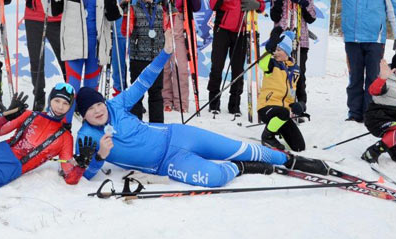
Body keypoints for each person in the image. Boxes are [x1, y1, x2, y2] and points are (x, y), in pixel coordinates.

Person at [74, 29, 329, 188]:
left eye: (99, 104)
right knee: (215, 178)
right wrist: (99, 156)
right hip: (168, 163)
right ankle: (241, 167)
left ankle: (291, 160)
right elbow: (82, 176)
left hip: (178, 135)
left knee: (239, 148)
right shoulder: (86, 137)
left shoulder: (115, 105)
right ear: (82, 115)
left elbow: (144, 81)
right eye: (91, 109)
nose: (98, 110)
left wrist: (164, 54)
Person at [317, 0, 396, 123]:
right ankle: (355, 113)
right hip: (352, 40)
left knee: (373, 78)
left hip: (374, 41)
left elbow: (393, 11)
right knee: (355, 78)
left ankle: (369, 113)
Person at [43, 0, 121, 122]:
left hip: (96, 46)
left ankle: (90, 130)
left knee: (91, 92)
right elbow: (52, 10)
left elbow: (114, 15)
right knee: (72, 88)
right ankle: (65, 128)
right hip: (73, 45)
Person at [11, 0, 69, 111]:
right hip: (34, 18)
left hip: (57, 18)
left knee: (64, 58)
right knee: (37, 59)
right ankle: (39, 96)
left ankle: (68, 93)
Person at [207, 0, 265, 116]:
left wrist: (255, 4)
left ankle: (235, 104)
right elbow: (213, 5)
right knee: (217, 66)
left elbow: (261, 6)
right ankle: (214, 101)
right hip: (223, 30)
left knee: (238, 69)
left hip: (242, 31)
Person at [157, 0, 201, 113]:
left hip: (181, 26)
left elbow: (196, 8)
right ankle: (166, 100)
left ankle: (181, 102)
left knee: (181, 68)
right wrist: (158, 1)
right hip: (164, 25)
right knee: (165, 67)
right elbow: (153, 5)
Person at [121, 0, 166, 123]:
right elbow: (125, 32)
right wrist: (126, 12)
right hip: (138, 58)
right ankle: (136, 125)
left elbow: (167, 28)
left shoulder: (160, 9)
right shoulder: (133, 9)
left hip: (156, 59)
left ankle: (157, 126)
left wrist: (171, 5)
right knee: (137, 94)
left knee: (156, 93)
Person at [257, 27, 310, 151]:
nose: (276, 53)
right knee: (283, 112)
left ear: (287, 51)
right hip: (267, 107)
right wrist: (269, 49)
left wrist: (301, 105)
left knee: (299, 147)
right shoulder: (271, 64)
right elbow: (262, 64)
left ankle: (276, 129)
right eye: (275, 50)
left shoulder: (296, 70)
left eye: (279, 50)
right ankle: (267, 136)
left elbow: (302, 93)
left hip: (284, 113)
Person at [270, 0, 317, 105]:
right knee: (279, 72)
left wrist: (303, 3)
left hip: (300, 41)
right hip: (281, 42)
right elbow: (274, 16)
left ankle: (300, 104)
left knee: (298, 73)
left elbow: (311, 18)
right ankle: (278, 102)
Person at [111, 0, 139, 95]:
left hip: (134, 32)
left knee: (135, 67)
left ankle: (135, 98)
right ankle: (119, 93)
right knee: (118, 65)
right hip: (116, 31)